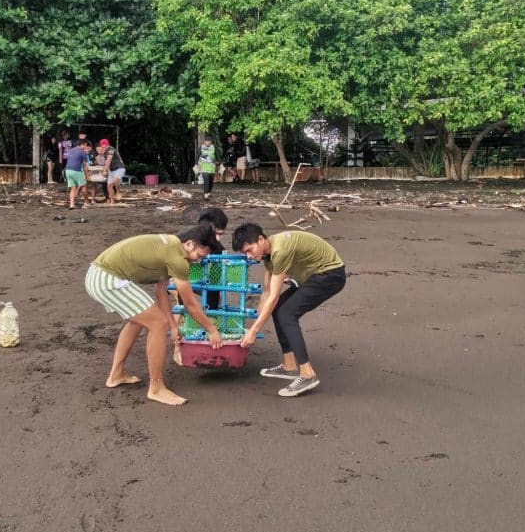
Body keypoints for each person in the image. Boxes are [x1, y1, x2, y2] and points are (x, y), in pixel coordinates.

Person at [85, 227, 223, 406]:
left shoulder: (170, 247)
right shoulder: (177, 257)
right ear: (189, 244)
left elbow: (161, 291)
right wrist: (211, 330)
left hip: (100, 276)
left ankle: (116, 375)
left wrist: (174, 327)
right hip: (106, 279)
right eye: (200, 255)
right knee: (158, 323)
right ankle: (156, 388)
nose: (200, 260)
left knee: (139, 321)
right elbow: (190, 304)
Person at [232, 223, 347, 398]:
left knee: (287, 313)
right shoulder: (268, 256)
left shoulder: (280, 251)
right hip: (313, 276)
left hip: (331, 274)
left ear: (261, 239)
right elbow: (266, 292)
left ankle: (307, 375)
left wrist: (254, 332)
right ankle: (289, 366)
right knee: (279, 309)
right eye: (245, 253)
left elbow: (273, 296)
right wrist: (251, 328)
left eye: (250, 250)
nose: (249, 256)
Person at [64, 140, 93, 209]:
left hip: (67, 171)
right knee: (84, 186)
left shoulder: (70, 150)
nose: (86, 147)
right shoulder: (82, 152)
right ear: (84, 144)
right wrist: (87, 176)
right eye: (86, 146)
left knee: (72, 188)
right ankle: (86, 202)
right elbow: (85, 166)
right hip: (76, 170)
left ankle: (72, 204)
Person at [97, 137, 125, 206]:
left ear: (108, 145)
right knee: (109, 185)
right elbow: (106, 162)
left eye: (105, 146)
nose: (104, 148)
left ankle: (118, 192)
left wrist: (104, 171)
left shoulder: (111, 150)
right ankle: (112, 201)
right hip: (112, 170)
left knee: (115, 180)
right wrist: (107, 171)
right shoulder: (105, 152)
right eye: (102, 146)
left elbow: (109, 161)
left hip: (119, 168)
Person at [197, 134, 217, 200]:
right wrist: (196, 164)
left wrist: (220, 162)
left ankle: (208, 192)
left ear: (211, 142)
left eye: (209, 141)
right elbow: (197, 156)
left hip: (212, 167)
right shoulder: (201, 147)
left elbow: (217, 155)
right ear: (204, 141)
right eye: (206, 141)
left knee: (211, 181)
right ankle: (205, 194)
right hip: (204, 167)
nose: (208, 142)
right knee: (206, 180)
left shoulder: (213, 147)